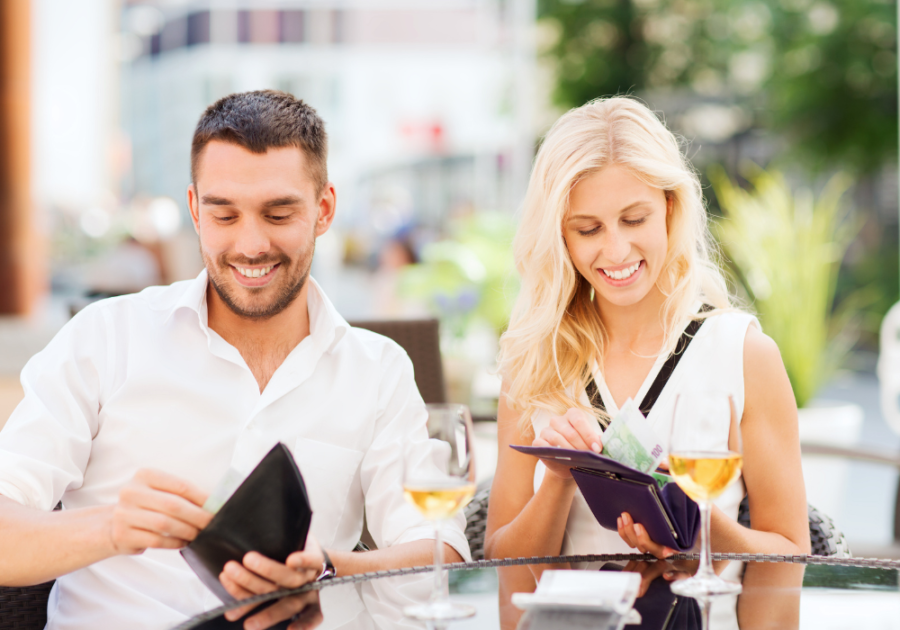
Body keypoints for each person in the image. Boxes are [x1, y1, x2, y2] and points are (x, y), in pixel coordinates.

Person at [0, 90, 469, 629]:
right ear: (196, 210)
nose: (251, 244)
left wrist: (328, 573)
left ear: (323, 210)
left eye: (278, 212)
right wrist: (109, 528)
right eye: (224, 214)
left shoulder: (378, 369)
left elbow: (439, 554)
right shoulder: (105, 338)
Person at [484, 97, 811, 577]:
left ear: (669, 208)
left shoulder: (742, 354)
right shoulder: (534, 359)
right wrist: (558, 479)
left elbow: (792, 553)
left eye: (634, 219)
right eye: (588, 229)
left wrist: (701, 534)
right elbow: (501, 562)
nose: (616, 250)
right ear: (561, 237)